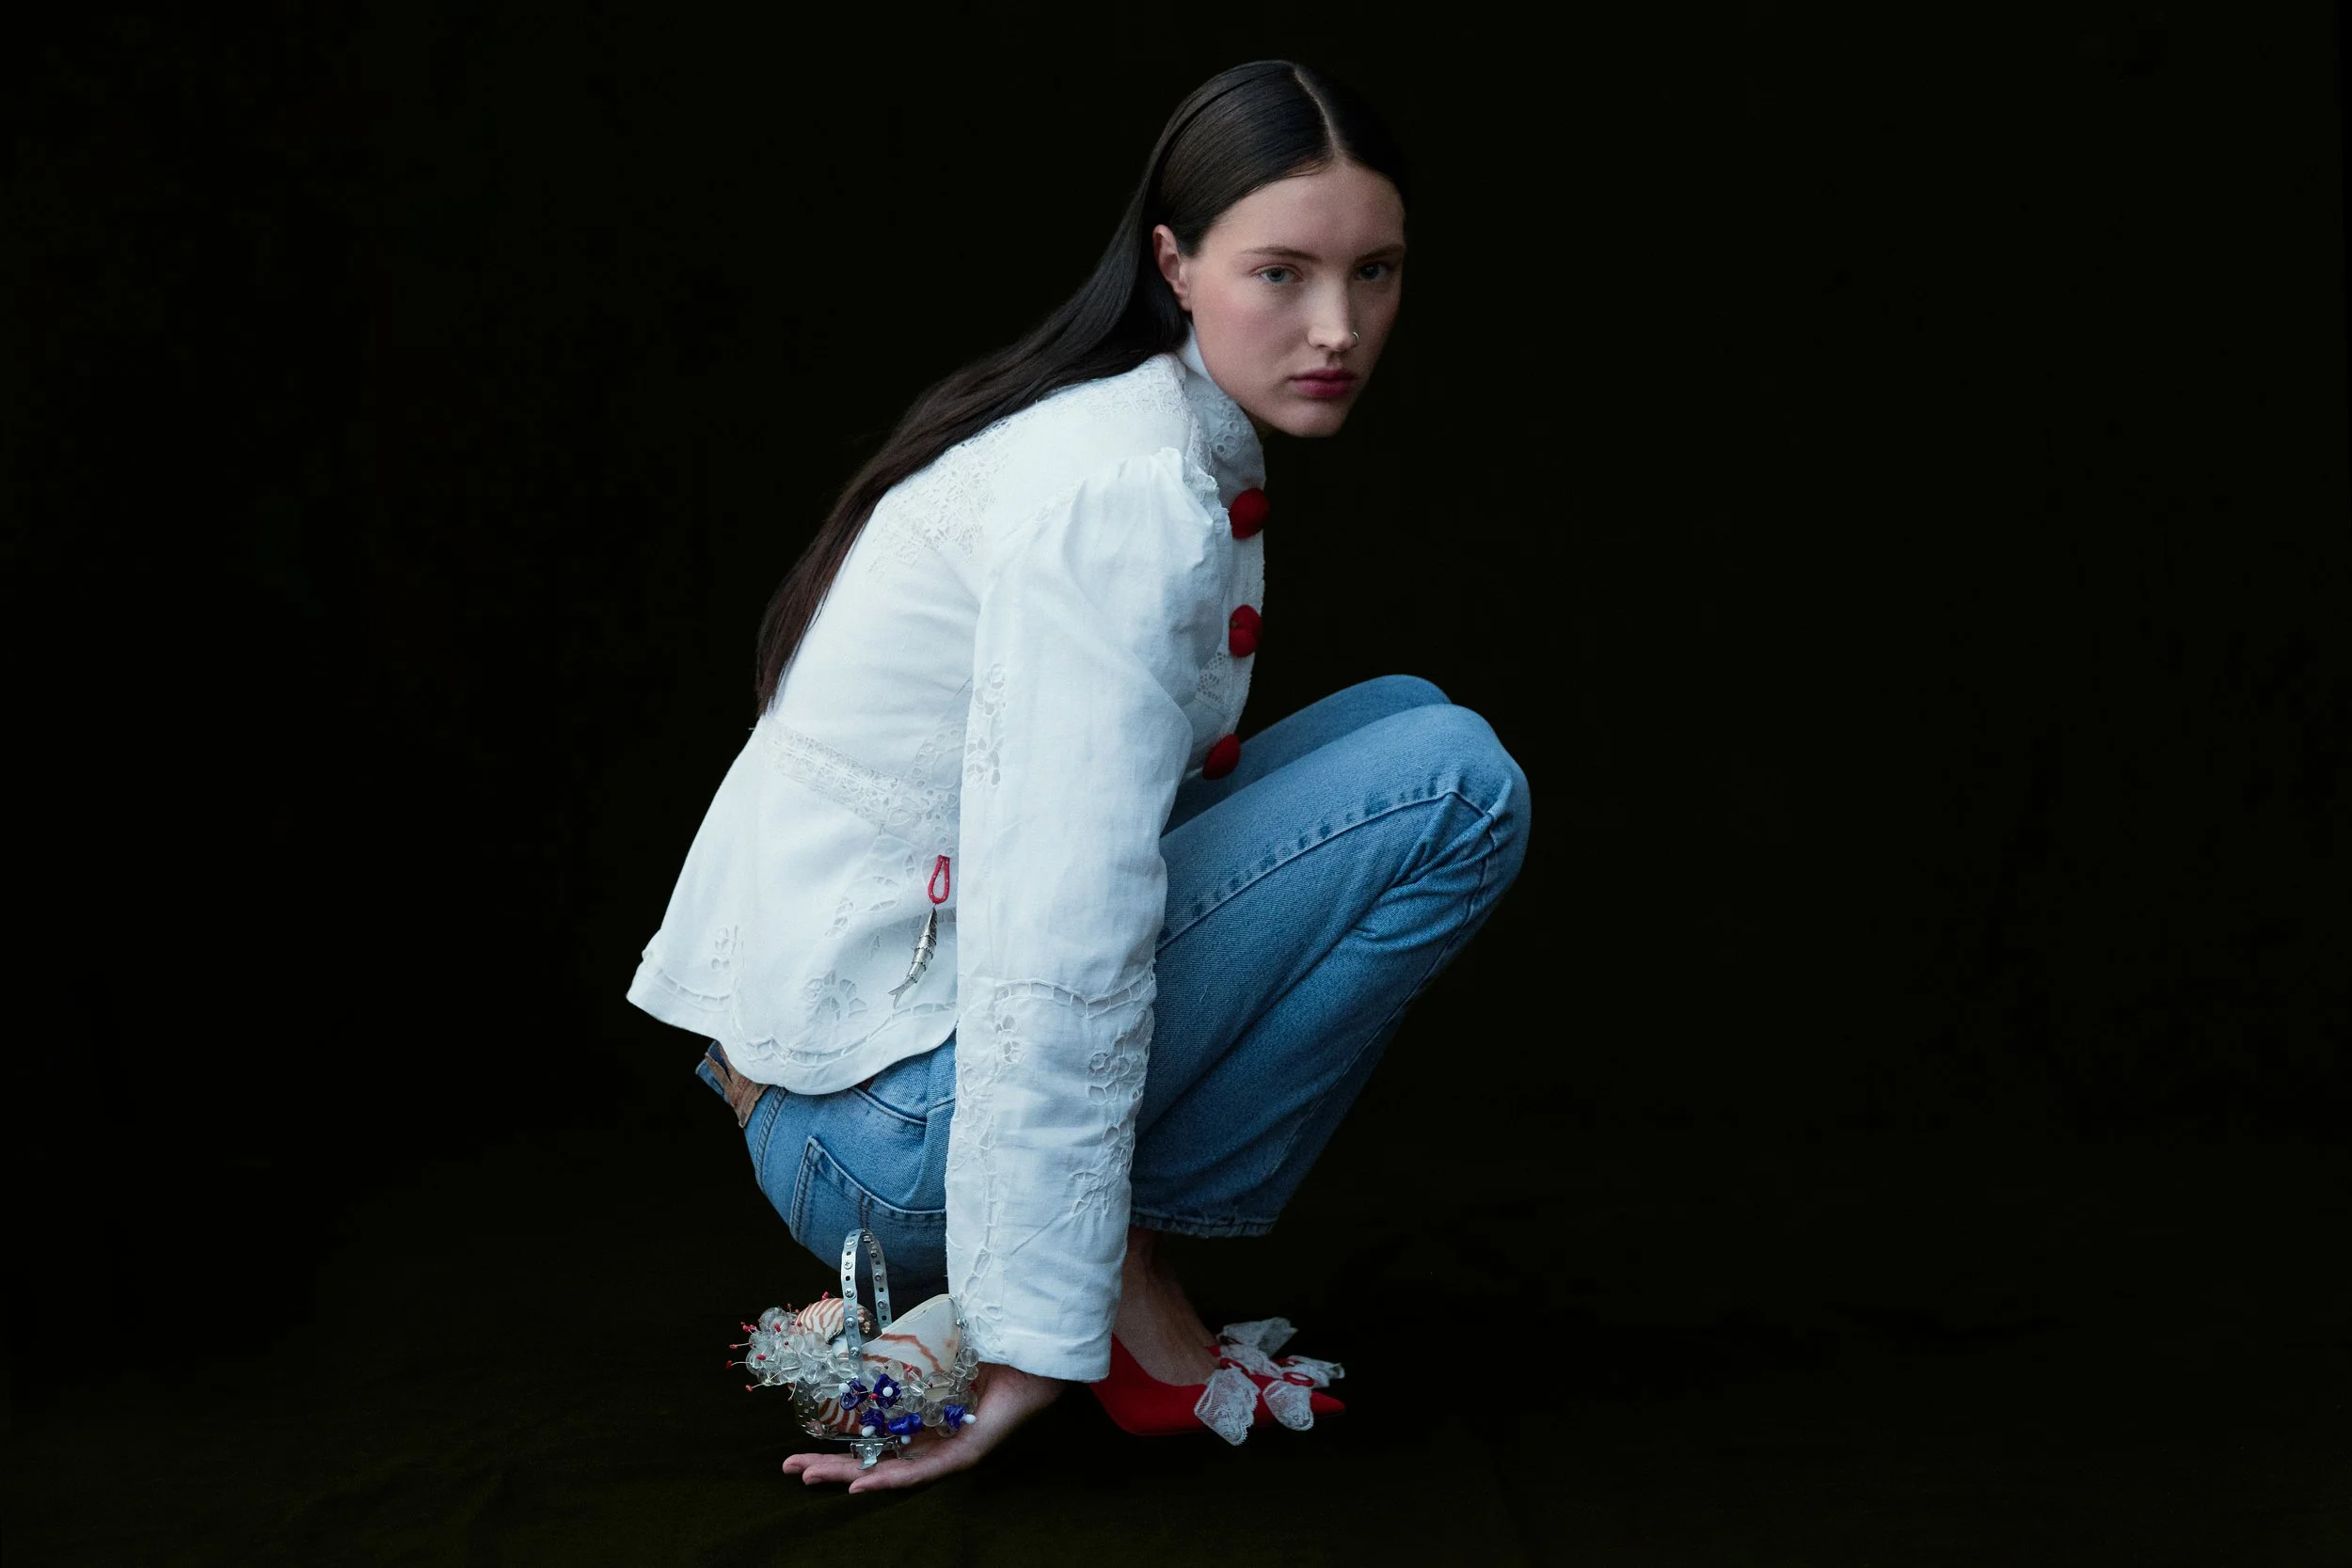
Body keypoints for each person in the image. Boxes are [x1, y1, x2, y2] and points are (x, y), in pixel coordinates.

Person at [627, 60, 1529, 1491]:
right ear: (1175, 265)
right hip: (879, 1140)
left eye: (1376, 272)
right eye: (1282, 274)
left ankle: (1092, 1267)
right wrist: (1035, 1338)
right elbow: (1065, 920)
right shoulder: (1123, 492)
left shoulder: (1137, 432)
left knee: (1406, 722)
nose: (1338, 327)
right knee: (1454, 785)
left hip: (857, 1087)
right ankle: (1106, 1287)